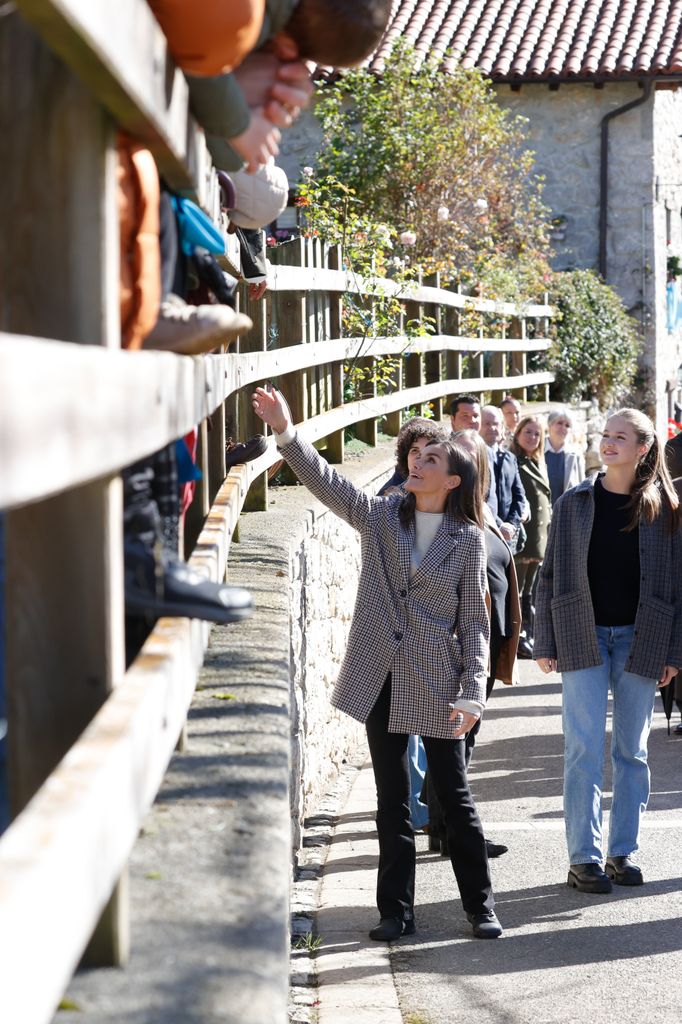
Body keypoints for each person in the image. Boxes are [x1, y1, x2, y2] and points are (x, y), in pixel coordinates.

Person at [252, 384, 502, 940]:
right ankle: (396, 911)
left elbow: (476, 625)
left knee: (453, 797)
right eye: (416, 455)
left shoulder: (467, 540)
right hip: (380, 674)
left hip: (439, 681)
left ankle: (480, 906)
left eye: (431, 458)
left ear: (453, 479)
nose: (417, 460)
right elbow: (330, 483)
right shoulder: (384, 516)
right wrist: (286, 431)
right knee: (391, 801)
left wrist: (472, 692)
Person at [535, 408, 681, 893]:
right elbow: (549, 575)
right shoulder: (574, 503)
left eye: (621, 437)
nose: (609, 443)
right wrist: (546, 641)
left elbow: (678, 587)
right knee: (582, 748)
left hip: (644, 638)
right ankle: (584, 859)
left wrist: (674, 652)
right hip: (583, 634)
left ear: (643, 448)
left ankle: (622, 852)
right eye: (606, 435)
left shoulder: (665, 510)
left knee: (632, 751)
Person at [509, 415, 552, 658]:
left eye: (537, 434)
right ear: (517, 434)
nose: (532, 437)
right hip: (525, 537)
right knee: (520, 588)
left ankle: (528, 634)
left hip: (539, 537)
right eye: (528, 432)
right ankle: (519, 637)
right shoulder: (513, 460)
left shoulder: (536, 462)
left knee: (530, 591)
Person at [480, 405, 527, 550]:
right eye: (487, 423)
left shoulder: (509, 458)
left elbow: (519, 496)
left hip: (508, 538)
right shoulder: (474, 457)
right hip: (485, 533)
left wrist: (512, 525)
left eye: (496, 424)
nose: (492, 428)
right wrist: (499, 526)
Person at [545, 408, 585, 506]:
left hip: (567, 513)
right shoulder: (537, 451)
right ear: (549, 425)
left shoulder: (576, 455)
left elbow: (582, 487)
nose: (563, 427)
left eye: (567, 425)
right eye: (559, 423)